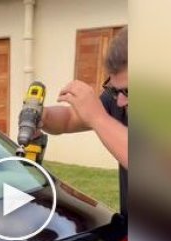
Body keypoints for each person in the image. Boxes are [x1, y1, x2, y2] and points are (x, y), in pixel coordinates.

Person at [40, 27, 128, 215]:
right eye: (115, 89)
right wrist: (43, 115)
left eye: (128, 91)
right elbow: (69, 119)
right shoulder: (119, 99)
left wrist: (98, 118)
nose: (120, 101)